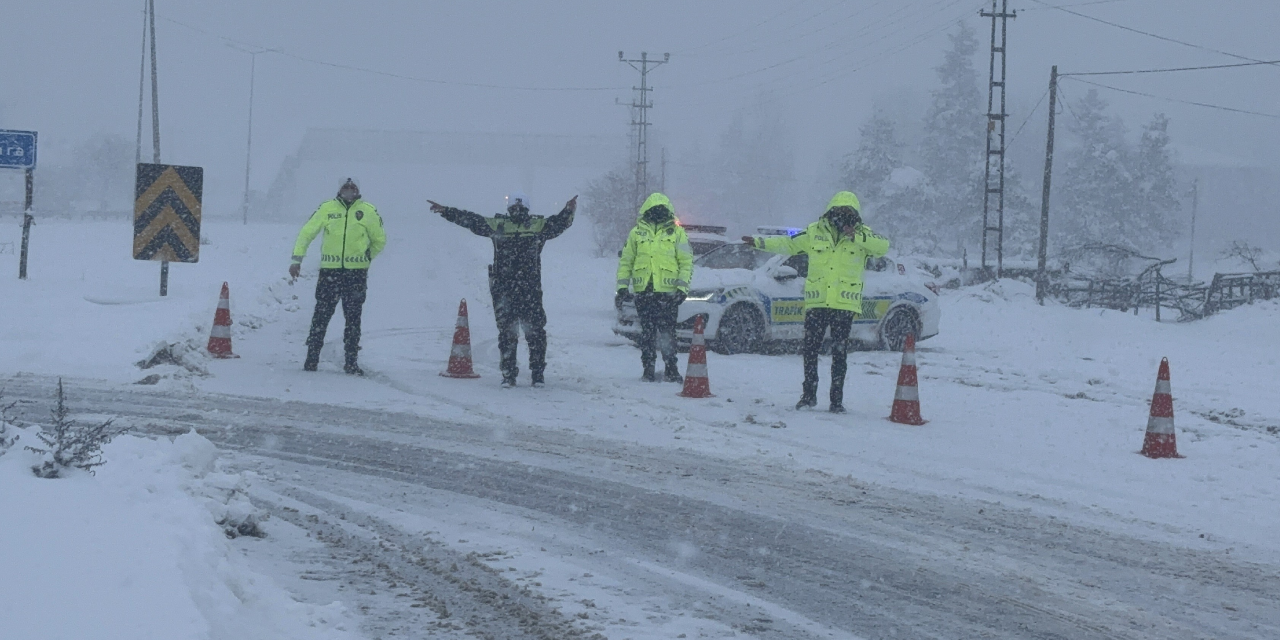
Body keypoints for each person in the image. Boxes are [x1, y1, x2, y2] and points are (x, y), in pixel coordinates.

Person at [742, 191, 889, 413]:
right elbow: (787, 244)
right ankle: (808, 395)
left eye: (848, 214)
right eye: (839, 212)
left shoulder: (863, 236)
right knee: (810, 350)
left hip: (844, 304)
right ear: (830, 212)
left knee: (840, 354)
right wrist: (759, 242)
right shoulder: (815, 232)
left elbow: (883, 247)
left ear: (856, 217)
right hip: (817, 302)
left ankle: (836, 401)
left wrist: (856, 236)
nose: (843, 218)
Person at [430, 192, 576, 388]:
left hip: (527, 288)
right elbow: (472, 220)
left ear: (526, 208)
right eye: (514, 207)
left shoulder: (536, 225)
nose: (516, 210)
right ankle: (509, 374)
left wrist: (568, 211)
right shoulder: (499, 224)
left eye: (520, 207)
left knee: (534, 332)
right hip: (507, 288)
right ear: (509, 209)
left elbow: (558, 224)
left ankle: (537, 374)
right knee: (508, 333)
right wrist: (447, 211)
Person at [290, 178, 387, 375]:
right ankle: (311, 359)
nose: (349, 191)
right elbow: (307, 233)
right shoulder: (327, 208)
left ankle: (351, 362)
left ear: (357, 190)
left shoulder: (367, 210)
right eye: (345, 188)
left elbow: (379, 239)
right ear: (340, 190)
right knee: (321, 317)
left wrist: (367, 256)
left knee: (353, 319)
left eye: (352, 188)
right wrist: (297, 259)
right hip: (330, 272)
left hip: (355, 274)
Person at [616, 193, 694, 383]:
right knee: (647, 334)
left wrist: (682, 290)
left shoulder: (676, 233)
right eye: (654, 210)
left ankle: (671, 368)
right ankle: (648, 369)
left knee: (667, 333)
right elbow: (626, 261)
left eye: (661, 210)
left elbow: (686, 262)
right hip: (644, 292)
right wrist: (622, 287)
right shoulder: (636, 233)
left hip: (668, 294)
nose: (657, 213)